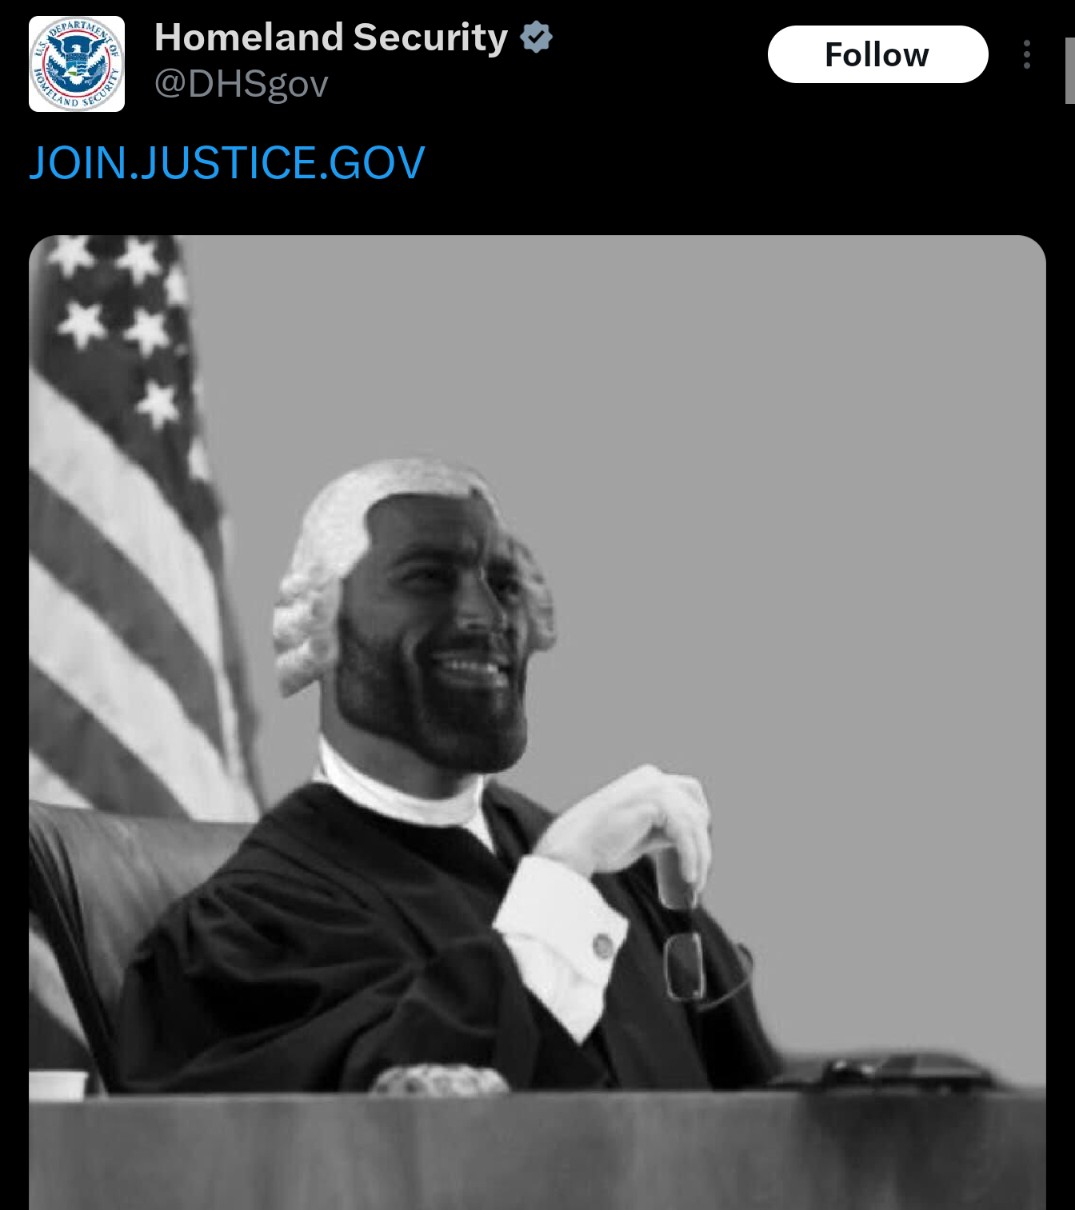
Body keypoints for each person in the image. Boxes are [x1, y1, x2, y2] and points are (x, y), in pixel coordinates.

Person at [115, 458, 783, 1093]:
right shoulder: (250, 930)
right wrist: (557, 886)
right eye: (428, 579)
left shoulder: (618, 878)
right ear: (321, 628)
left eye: (504, 585)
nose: (488, 617)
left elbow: (763, 1114)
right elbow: (395, 1137)